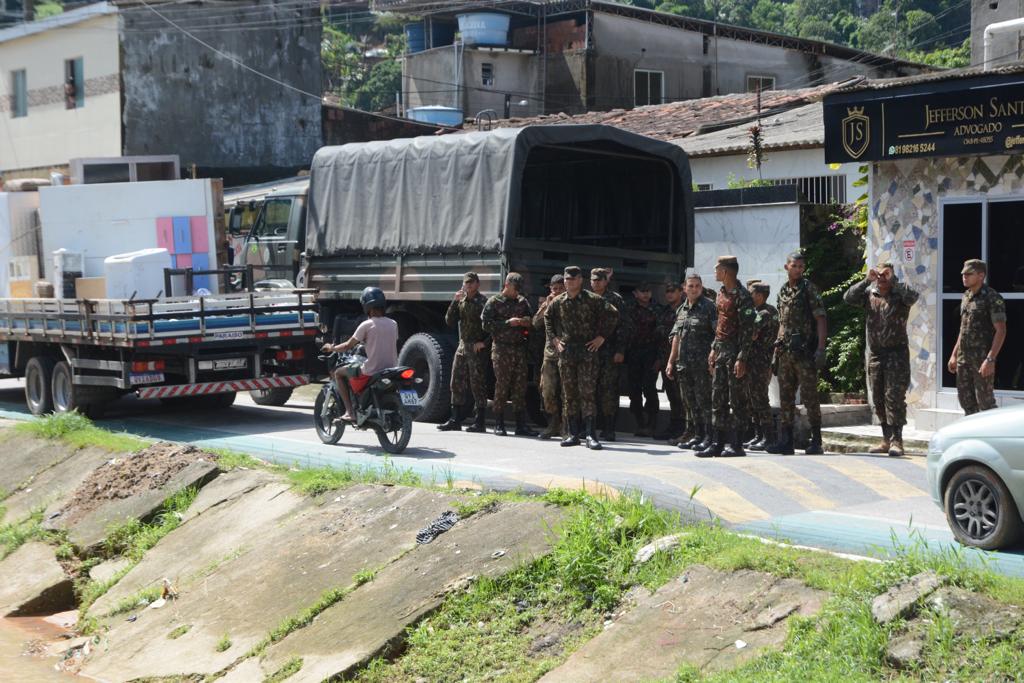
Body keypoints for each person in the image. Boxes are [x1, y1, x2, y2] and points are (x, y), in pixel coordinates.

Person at [844, 262, 920, 457]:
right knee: (878, 398)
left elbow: (913, 296)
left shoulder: (900, 295)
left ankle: (897, 441)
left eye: (886, 274)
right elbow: (848, 298)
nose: (882, 277)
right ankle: (886, 439)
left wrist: (893, 279)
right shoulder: (870, 294)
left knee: (894, 397)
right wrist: (866, 280)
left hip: (896, 354)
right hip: (876, 354)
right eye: (879, 274)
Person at [544, 265, 617, 449]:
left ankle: (591, 435)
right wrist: (554, 340)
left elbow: (613, 314)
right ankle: (573, 434)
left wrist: (601, 337)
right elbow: (547, 317)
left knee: (587, 393)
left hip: (587, 352)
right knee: (569, 395)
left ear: (580, 280)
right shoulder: (559, 301)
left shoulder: (592, 299)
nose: (569, 282)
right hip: (567, 353)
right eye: (567, 279)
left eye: (573, 279)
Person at [766, 252, 828, 455]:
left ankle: (816, 440)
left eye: (801, 266)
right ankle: (786, 441)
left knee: (810, 396)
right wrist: (776, 352)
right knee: (786, 398)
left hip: (804, 352)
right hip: (785, 352)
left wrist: (820, 348)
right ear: (787, 267)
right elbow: (782, 324)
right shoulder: (783, 291)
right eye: (795, 266)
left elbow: (820, 318)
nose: (798, 269)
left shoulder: (809, 288)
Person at [698, 256, 755, 458]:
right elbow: (721, 326)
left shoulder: (743, 296)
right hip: (721, 351)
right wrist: (713, 348)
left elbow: (749, 330)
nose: (714, 271)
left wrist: (742, 358)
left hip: (735, 353)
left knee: (737, 400)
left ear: (726, 272)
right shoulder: (721, 294)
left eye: (717, 268)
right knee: (718, 399)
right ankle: (717, 442)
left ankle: (737, 444)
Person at [320, 286, 399, 423]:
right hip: (391, 369)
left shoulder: (366, 325)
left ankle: (350, 412)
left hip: (371, 370)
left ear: (366, 306)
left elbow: (347, 346)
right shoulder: (393, 323)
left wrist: (331, 348)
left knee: (339, 373)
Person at [947, 259, 1006, 416]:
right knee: (966, 402)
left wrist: (990, 359)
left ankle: (993, 438)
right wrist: (954, 355)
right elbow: (963, 329)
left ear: (981, 275)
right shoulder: (966, 296)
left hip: (981, 360)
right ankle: (972, 438)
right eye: (963, 274)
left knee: (986, 403)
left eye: (969, 274)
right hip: (963, 359)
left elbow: (1001, 331)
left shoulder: (992, 297)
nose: (964, 277)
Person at [666, 274, 717, 450]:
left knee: (704, 402)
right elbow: (676, 337)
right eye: (691, 286)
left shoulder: (709, 307)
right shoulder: (681, 310)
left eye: (697, 286)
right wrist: (671, 361)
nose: (694, 289)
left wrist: (713, 359)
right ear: (685, 288)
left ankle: (709, 437)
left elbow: (718, 336)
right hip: (684, 364)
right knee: (689, 402)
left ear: (701, 288)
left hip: (702, 365)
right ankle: (696, 435)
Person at [482, 272, 536, 437]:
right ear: (507, 285)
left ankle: (521, 424)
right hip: (501, 349)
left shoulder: (522, 302)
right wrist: (507, 323)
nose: (517, 291)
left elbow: (531, 320)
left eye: (519, 288)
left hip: (519, 349)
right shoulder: (494, 302)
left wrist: (521, 322)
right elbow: (486, 325)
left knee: (520, 386)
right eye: (515, 288)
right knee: (502, 386)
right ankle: (499, 422)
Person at [438, 272, 489, 433]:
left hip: (476, 347)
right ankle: (455, 419)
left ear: (477, 284)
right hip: (463, 346)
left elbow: (492, 326)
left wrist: (484, 343)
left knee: (477, 384)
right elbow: (449, 321)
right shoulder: (461, 301)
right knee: (456, 381)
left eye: (472, 283)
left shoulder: (483, 302)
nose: (469, 286)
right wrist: (455, 301)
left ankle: (479, 421)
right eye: (466, 283)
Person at [623, 282, 666, 437]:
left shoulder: (658, 309)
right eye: (642, 291)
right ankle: (640, 422)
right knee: (634, 389)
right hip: (633, 353)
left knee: (649, 388)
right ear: (635, 293)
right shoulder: (628, 308)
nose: (646, 294)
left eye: (648, 291)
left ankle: (651, 423)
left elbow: (663, 336)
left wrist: (660, 358)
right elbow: (623, 331)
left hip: (651, 354)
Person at [590, 268, 628, 441]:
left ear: (606, 281)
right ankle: (590, 427)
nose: (596, 283)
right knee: (589, 389)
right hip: (589, 352)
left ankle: (609, 428)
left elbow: (624, 326)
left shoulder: (615, 299)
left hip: (610, 351)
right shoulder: (586, 298)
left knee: (609, 391)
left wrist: (620, 350)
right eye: (594, 280)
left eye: (600, 280)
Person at [746, 281, 779, 452]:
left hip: (759, 362)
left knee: (760, 399)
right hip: (756, 361)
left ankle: (768, 437)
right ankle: (759, 435)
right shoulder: (767, 310)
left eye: (750, 293)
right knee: (753, 399)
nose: (748, 296)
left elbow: (750, 335)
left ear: (759, 295)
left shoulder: (764, 313)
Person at [533, 273, 566, 440]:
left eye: (561, 288)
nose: (558, 291)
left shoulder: (569, 302)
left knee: (566, 393)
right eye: (555, 289)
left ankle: (565, 427)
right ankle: (552, 424)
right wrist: (545, 305)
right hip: (550, 354)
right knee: (547, 391)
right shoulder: (548, 303)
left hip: (567, 353)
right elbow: (535, 323)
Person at [655, 280, 687, 441]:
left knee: (683, 397)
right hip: (666, 360)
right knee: (672, 397)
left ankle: (684, 428)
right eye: (667, 291)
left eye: (672, 291)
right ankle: (674, 426)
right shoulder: (664, 311)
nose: (669, 294)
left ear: (681, 292)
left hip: (682, 360)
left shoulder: (685, 310)